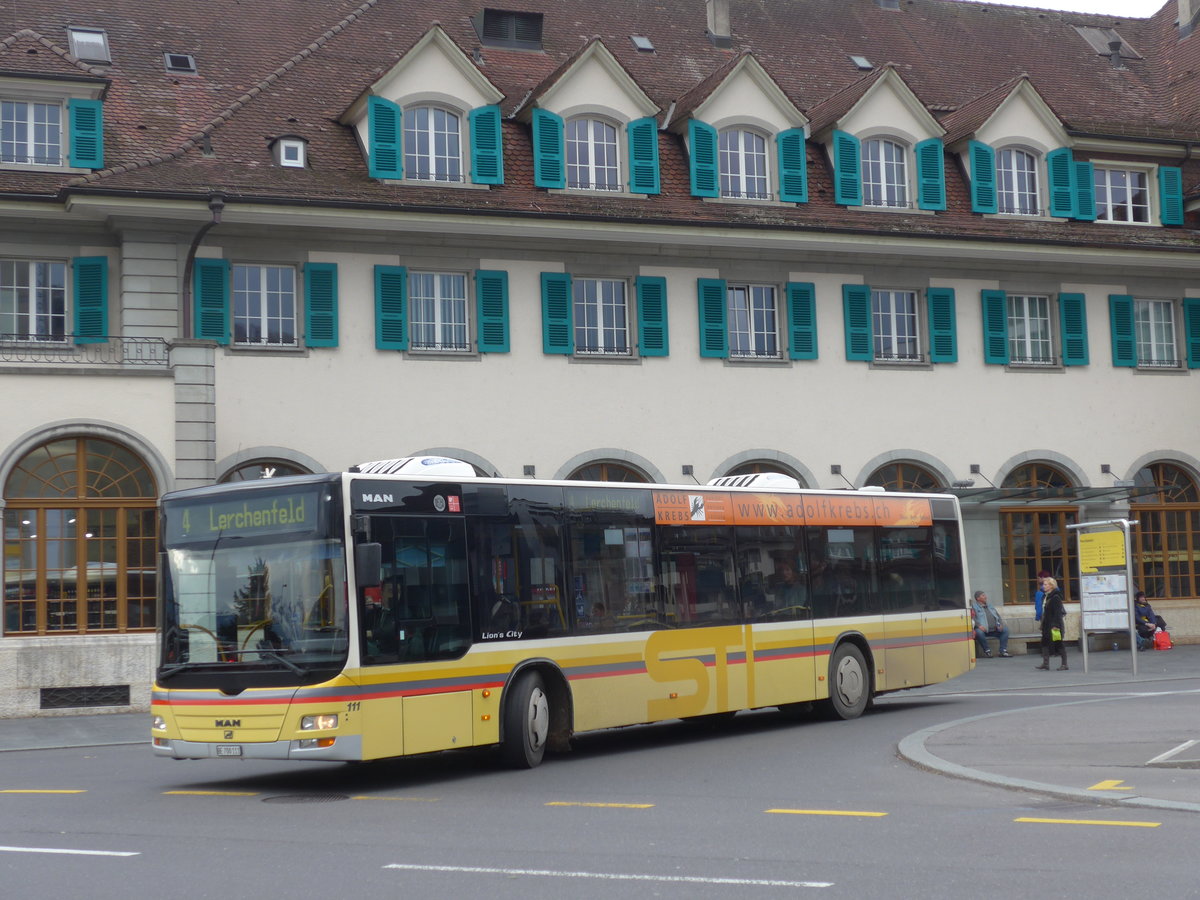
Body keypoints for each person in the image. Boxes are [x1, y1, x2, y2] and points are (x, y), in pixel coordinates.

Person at [1036, 575, 1068, 671]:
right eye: (1043, 584)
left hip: (1055, 625)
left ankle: (1064, 664)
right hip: (1047, 624)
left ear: (1051, 586)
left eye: (1045, 584)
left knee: (1058, 643)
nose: (1043, 586)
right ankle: (1046, 664)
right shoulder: (1047, 596)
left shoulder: (1055, 597)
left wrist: (1055, 626)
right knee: (1044, 643)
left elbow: (1057, 613)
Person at [971, 590, 1011, 658]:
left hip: (994, 629)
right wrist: (979, 625)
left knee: (1005, 630)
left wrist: (1000, 624)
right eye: (983, 595)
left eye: (985, 595)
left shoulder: (990, 605)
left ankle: (1003, 651)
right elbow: (972, 618)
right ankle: (987, 651)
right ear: (978, 598)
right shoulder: (974, 607)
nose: (985, 597)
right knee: (978, 632)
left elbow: (998, 616)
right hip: (983, 630)